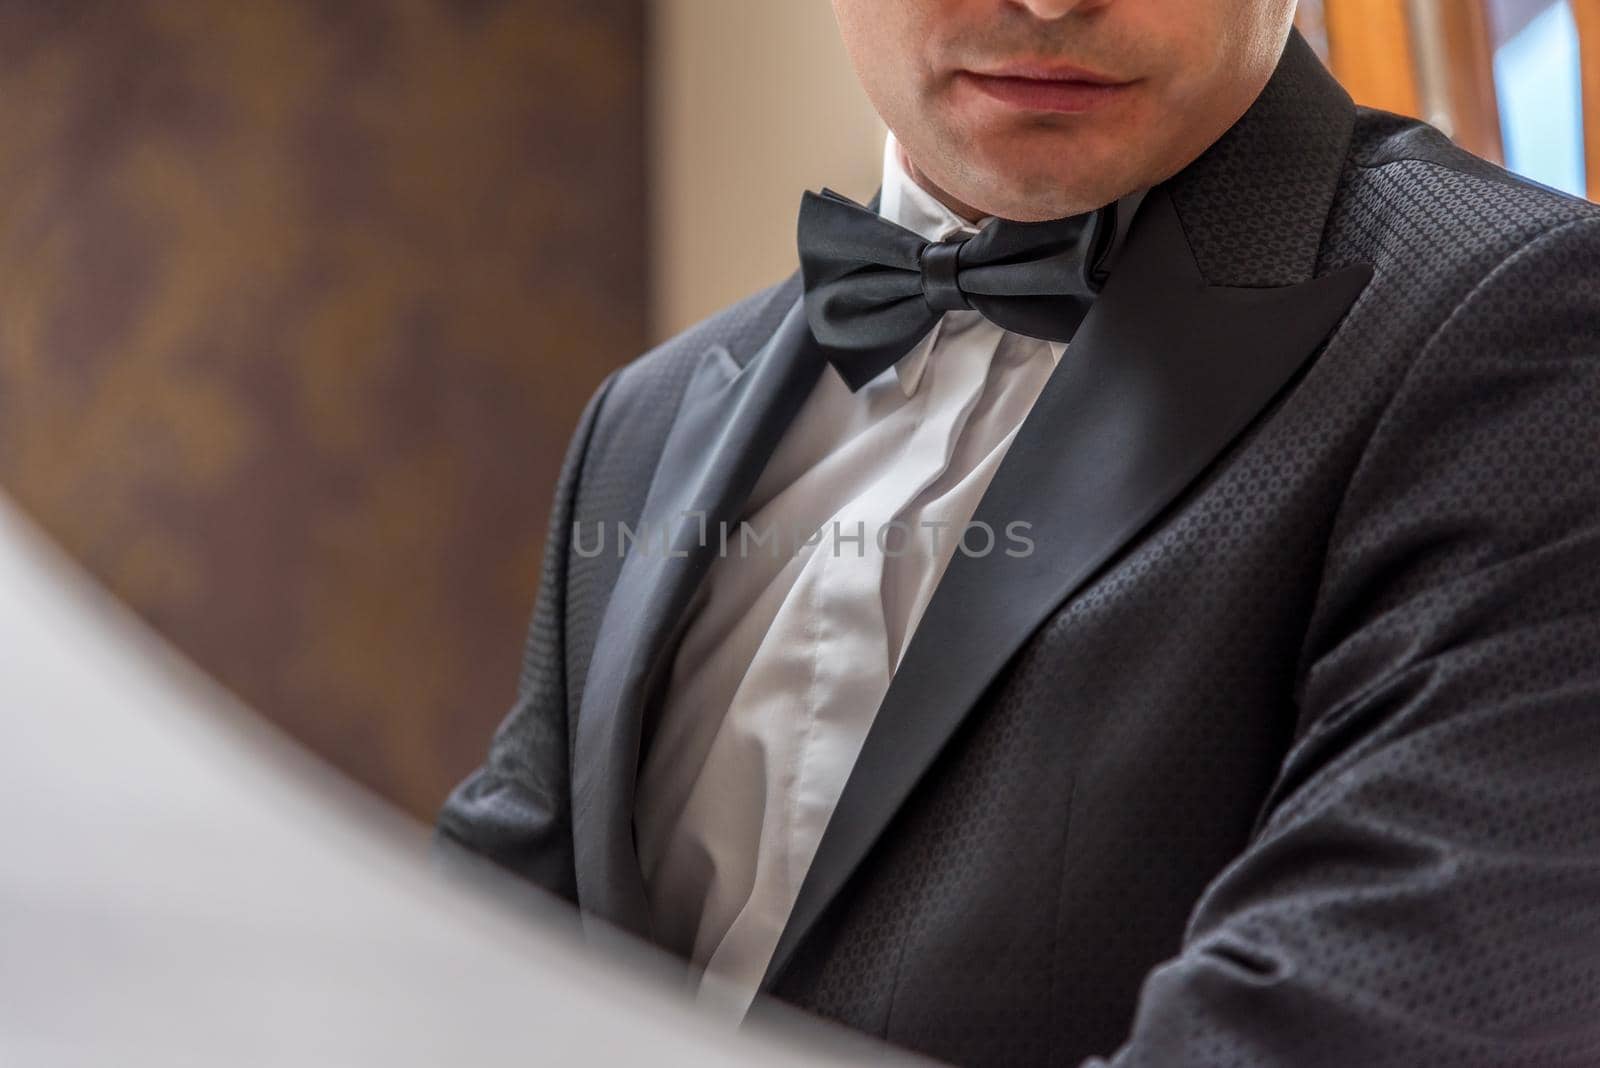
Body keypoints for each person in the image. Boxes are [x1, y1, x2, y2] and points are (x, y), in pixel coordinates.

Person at [435, 2, 1600, 1065]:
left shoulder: (1531, 330)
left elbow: (1358, 1022)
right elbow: (466, 969)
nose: (1047, 0)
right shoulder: (644, 419)